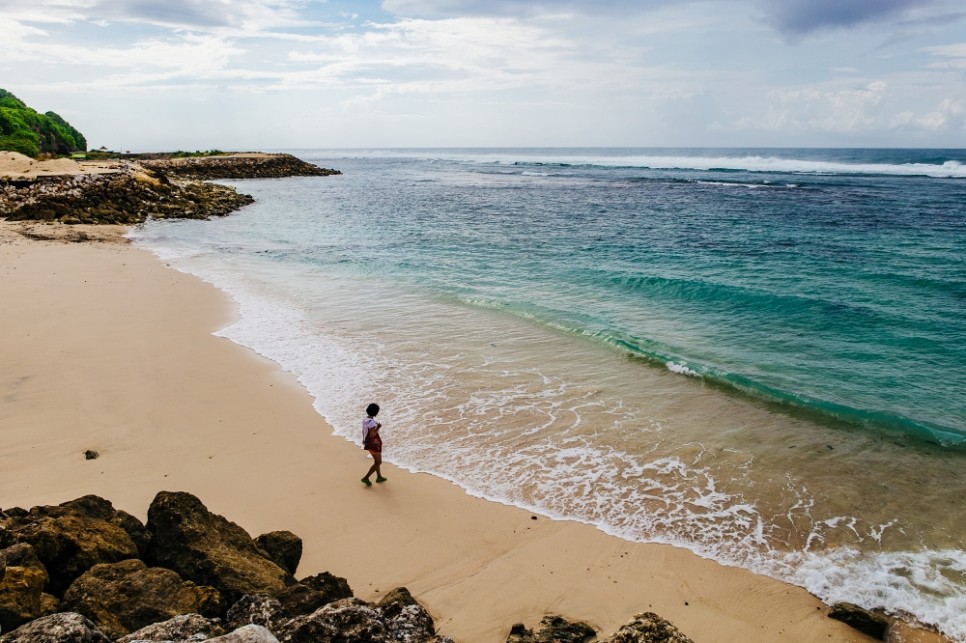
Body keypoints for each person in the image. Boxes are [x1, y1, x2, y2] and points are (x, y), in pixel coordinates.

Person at [361, 402, 387, 486]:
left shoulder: (365, 419)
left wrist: (363, 439)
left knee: (377, 461)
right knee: (378, 462)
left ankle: (379, 477)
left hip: (368, 443)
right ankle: (366, 478)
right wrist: (378, 427)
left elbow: (364, 431)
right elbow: (372, 435)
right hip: (373, 444)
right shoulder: (372, 422)